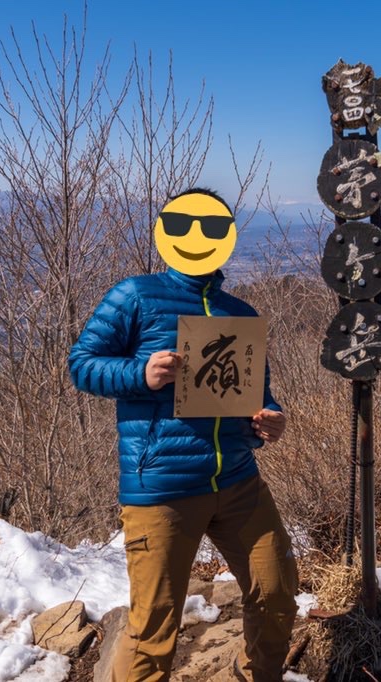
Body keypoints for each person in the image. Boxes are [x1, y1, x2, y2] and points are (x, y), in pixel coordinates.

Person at [68, 188, 298, 682]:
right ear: (163, 234)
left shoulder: (240, 314)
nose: (198, 237)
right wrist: (140, 374)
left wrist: (268, 422)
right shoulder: (135, 295)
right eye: (183, 226)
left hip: (237, 480)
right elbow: (81, 365)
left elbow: (260, 394)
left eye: (213, 229)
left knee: (277, 594)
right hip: (162, 490)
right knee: (153, 628)